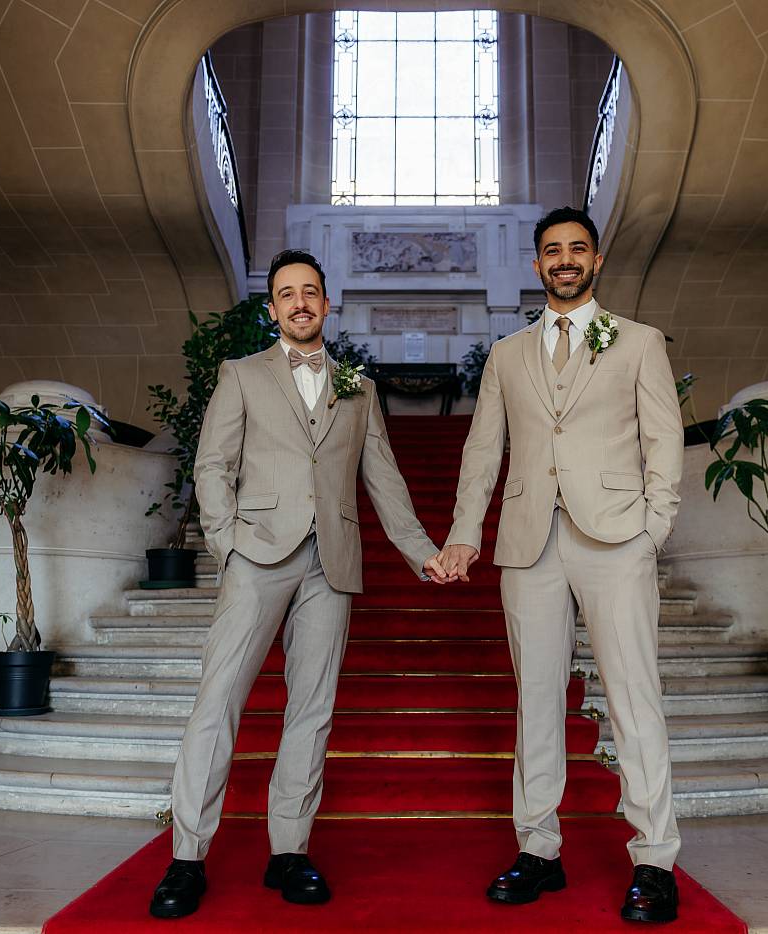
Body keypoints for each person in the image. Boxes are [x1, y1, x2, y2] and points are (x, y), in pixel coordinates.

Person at [150, 249, 450, 920]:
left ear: (326, 302)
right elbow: (212, 465)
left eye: (310, 291)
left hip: (332, 562)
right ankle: (186, 856)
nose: (300, 302)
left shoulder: (358, 389)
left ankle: (288, 850)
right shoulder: (241, 374)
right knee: (219, 699)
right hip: (257, 554)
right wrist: (228, 545)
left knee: (311, 709)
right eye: (287, 294)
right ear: (273, 308)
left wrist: (421, 552)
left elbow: (385, 480)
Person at [437, 207, 685, 923]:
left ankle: (655, 859)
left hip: (615, 538)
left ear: (597, 261)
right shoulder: (508, 355)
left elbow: (663, 439)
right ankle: (539, 850)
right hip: (527, 543)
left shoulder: (637, 343)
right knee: (536, 701)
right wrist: (463, 534)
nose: (565, 260)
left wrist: (653, 530)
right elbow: (483, 451)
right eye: (553, 251)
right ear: (538, 264)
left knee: (634, 699)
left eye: (578, 249)